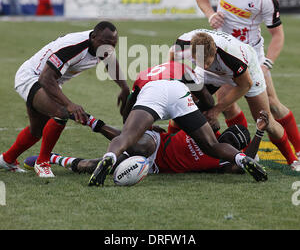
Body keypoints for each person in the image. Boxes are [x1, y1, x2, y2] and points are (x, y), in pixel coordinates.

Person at [195, 0, 300, 166]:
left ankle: (297, 151)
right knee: (225, 103)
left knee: (270, 106)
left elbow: (278, 36)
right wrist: (210, 14)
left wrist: (266, 64)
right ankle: (246, 149)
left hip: (250, 57)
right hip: (223, 53)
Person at [88, 60, 268, 187]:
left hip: (152, 90)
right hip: (179, 92)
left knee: (127, 136)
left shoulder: (145, 74)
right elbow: (206, 98)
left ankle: (109, 157)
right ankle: (241, 158)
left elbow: (129, 107)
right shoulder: (183, 68)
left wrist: (135, 127)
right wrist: (204, 111)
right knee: (212, 145)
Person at [0, 21, 130, 178]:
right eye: (105, 43)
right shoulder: (74, 46)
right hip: (33, 77)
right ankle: (42, 163)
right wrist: (69, 104)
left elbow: (110, 62)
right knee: (61, 113)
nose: (108, 49)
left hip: (51, 81)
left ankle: (7, 159)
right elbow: (45, 78)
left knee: (37, 130)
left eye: (112, 45)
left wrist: (124, 88)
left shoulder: (103, 44)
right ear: (93, 37)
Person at [171, 29, 300, 171]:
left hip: (246, 72)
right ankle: (168, 142)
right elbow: (172, 54)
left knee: (265, 118)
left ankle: (292, 160)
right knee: (183, 103)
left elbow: (245, 85)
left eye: (207, 62)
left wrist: (216, 109)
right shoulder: (185, 43)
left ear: (214, 52)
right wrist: (174, 78)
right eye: (200, 61)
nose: (205, 65)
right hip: (209, 74)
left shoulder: (230, 55)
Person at [23, 110, 270, 177]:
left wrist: (258, 134)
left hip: (150, 167)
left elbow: (243, 165)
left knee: (92, 166)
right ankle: (93, 123)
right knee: (141, 143)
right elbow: (180, 120)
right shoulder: (208, 131)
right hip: (155, 143)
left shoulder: (221, 162)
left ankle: (54, 158)